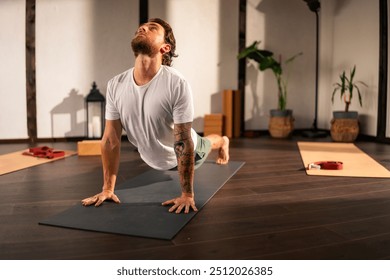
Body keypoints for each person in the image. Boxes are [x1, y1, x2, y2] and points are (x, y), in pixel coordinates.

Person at [81, 18, 230, 214]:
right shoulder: (115, 85)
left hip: (186, 153)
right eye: (142, 26)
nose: (142, 27)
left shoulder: (176, 83)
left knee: (208, 143)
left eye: (152, 28)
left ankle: (224, 141)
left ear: (165, 48)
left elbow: (184, 142)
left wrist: (187, 195)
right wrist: (107, 189)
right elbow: (110, 140)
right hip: (151, 158)